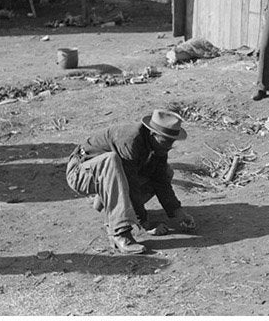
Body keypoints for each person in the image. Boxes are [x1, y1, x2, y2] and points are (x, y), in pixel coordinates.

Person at [66, 109, 197, 255]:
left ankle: (108, 201)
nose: (169, 146)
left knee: (166, 171)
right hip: (80, 173)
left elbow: (160, 180)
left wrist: (178, 212)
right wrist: (144, 222)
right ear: (153, 133)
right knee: (112, 161)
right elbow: (131, 184)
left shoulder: (157, 144)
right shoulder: (131, 140)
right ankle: (119, 234)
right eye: (165, 141)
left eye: (172, 141)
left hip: (105, 175)